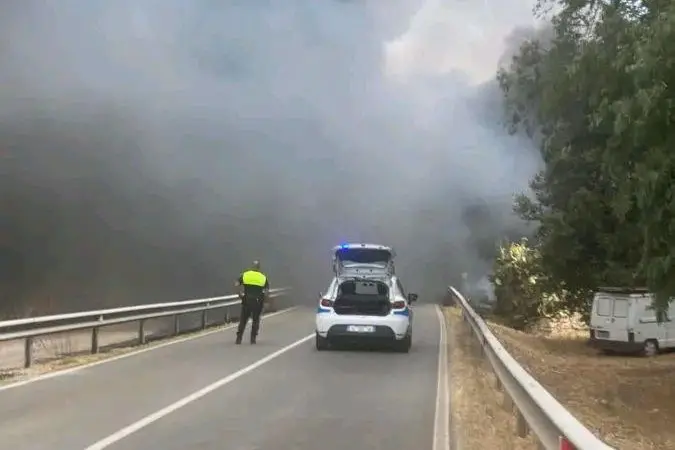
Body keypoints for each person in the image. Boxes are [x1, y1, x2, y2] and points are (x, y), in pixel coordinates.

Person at [234, 260, 269, 344]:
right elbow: (267, 290)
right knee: (256, 320)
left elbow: (236, 284)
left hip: (246, 300)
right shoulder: (263, 277)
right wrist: (265, 300)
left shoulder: (245, 275)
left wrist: (240, 295)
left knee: (243, 320)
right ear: (259, 268)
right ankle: (253, 339)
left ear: (251, 267)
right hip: (257, 302)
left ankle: (239, 338)